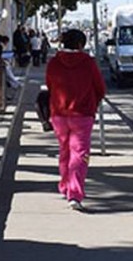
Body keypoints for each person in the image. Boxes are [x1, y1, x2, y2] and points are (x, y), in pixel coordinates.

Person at [45, 29, 106, 212]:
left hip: (59, 113)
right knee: (79, 153)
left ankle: (65, 186)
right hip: (82, 114)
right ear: (81, 44)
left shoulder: (54, 62)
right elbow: (100, 87)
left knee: (64, 152)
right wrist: (93, 102)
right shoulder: (88, 62)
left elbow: (49, 85)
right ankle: (75, 193)